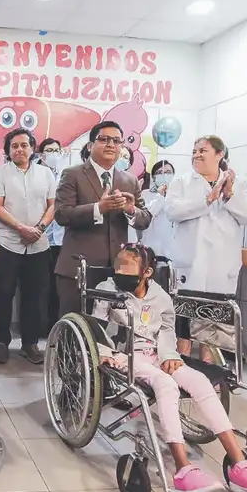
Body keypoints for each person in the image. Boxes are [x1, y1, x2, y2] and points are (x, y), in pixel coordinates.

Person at [93, 244, 247, 492]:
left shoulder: (159, 296)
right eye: (118, 264)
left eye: (127, 266)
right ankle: (183, 469)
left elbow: (168, 329)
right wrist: (105, 355)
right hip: (125, 355)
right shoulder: (108, 290)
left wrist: (170, 355)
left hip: (158, 354)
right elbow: (97, 325)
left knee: (201, 381)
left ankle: (239, 463)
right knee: (166, 385)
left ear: (147, 272)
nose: (119, 270)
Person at [166, 136, 247, 362]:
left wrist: (228, 195)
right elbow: (173, 211)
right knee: (185, 313)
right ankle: (183, 361)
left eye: (203, 150)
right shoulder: (181, 182)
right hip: (189, 261)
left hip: (222, 262)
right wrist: (208, 199)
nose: (196, 155)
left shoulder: (240, 184)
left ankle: (210, 367)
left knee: (215, 316)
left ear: (220, 155)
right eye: (194, 150)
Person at [54, 121, 151, 318]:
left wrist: (130, 209)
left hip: (118, 269)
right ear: (90, 146)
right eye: (104, 139)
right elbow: (61, 214)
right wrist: (98, 208)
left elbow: (145, 219)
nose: (110, 145)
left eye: (116, 141)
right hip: (78, 268)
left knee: (111, 330)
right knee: (74, 326)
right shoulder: (72, 174)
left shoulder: (129, 180)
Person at [0, 128, 57, 365]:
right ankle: (2, 342)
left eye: (24, 145)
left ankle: (29, 344)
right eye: (14, 145)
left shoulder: (46, 174)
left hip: (38, 243)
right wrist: (21, 228)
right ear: (8, 150)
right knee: (5, 293)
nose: (19, 149)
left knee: (33, 295)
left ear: (32, 148)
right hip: (8, 241)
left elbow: (53, 205)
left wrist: (38, 228)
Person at [37, 138, 68, 335]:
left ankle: (56, 326)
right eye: (49, 150)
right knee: (41, 286)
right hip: (41, 238)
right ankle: (39, 326)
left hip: (63, 240)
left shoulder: (66, 175)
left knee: (59, 287)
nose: (53, 154)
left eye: (56, 150)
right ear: (41, 154)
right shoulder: (36, 175)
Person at [138, 160, 176, 258]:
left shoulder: (179, 195)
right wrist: (160, 196)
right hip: (151, 249)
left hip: (174, 251)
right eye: (159, 173)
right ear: (154, 178)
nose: (164, 175)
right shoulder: (145, 194)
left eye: (168, 172)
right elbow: (146, 216)